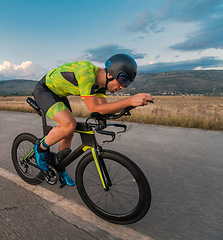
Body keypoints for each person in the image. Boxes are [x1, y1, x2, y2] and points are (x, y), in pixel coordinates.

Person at [33, 53, 153, 186]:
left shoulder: (101, 85)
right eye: (123, 80)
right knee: (68, 125)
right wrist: (130, 100)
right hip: (45, 90)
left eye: (128, 83)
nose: (123, 86)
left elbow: (104, 108)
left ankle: (60, 168)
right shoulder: (87, 73)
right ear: (110, 74)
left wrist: (129, 106)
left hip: (59, 94)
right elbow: (95, 109)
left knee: (69, 132)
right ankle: (40, 148)